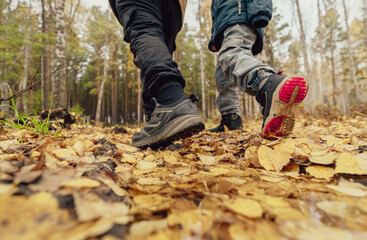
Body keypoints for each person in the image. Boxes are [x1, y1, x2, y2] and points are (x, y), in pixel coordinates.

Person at [109, 0, 205, 149]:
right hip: (176, 8)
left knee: (144, 32)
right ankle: (157, 120)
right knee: (158, 51)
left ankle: (172, 100)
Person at [208, 0, 309, 136]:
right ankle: (231, 119)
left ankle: (267, 84)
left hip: (239, 17)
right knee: (223, 76)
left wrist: (260, 10)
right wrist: (213, 39)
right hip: (224, 29)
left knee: (231, 55)